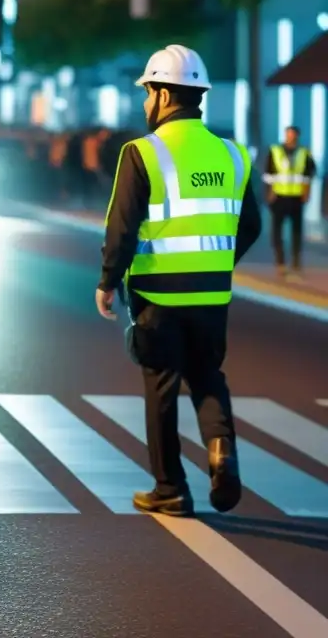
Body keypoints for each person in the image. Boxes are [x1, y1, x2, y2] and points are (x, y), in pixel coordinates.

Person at [95, 44, 262, 517]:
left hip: (157, 295)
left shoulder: (142, 153)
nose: (146, 103)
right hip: (212, 293)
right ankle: (221, 450)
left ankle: (170, 488)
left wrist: (108, 280)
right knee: (208, 376)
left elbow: (121, 227)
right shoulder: (232, 154)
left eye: (148, 93)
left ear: (165, 95)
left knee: (163, 387)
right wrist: (215, 263)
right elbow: (248, 226)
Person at [263, 125, 317, 277]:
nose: (290, 137)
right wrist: (269, 193)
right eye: (288, 134)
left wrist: (306, 192)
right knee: (276, 231)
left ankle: (296, 261)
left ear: (297, 136)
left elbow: (309, 174)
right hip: (279, 196)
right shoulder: (275, 150)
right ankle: (280, 261)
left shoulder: (304, 152)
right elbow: (268, 174)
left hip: (296, 197)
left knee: (296, 231)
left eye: (293, 135)